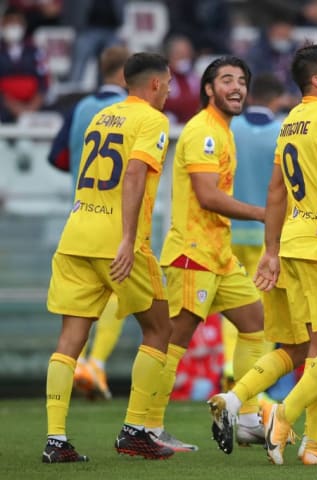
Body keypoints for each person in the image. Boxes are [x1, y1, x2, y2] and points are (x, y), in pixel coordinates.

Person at [208, 72, 317, 465]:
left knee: (312, 345)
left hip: (289, 241)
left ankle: (302, 434)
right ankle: (283, 415)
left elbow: (276, 190)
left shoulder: (291, 123)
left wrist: (271, 248)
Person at [43, 52, 174, 463]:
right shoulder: (153, 120)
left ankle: (56, 439)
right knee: (159, 329)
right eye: (168, 84)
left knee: (70, 340)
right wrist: (129, 237)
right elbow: (134, 173)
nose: (169, 90)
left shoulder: (102, 116)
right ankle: (135, 430)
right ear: (155, 84)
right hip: (117, 241)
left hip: (76, 233)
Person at [143, 56, 266, 453]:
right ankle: (147, 428)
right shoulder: (203, 132)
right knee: (174, 341)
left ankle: (246, 417)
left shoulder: (223, 131)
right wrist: (263, 213)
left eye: (242, 80)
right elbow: (207, 196)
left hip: (219, 254)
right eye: (226, 79)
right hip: (192, 253)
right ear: (209, 89)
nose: (237, 87)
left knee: (256, 324)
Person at [47, 44, 131, 401]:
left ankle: (78, 361)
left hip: (79, 214)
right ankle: (96, 361)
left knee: (78, 303)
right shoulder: (130, 111)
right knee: (118, 292)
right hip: (115, 220)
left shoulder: (80, 107)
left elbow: (57, 155)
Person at [223, 73, 287, 396]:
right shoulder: (282, 131)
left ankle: (228, 366)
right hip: (269, 235)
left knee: (232, 304)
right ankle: (256, 380)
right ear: (277, 99)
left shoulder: (231, 129)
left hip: (232, 228)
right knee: (265, 307)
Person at [0, 6, 48, 122]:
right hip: (4, 109)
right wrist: (15, 107)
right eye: (11, 22)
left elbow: (44, 83)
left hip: (33, 108)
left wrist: (31, 108)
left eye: (18, 22)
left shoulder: (36, 51)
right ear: (3, 24)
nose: (14, 26)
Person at [61, 0, 125, 86]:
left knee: (111, 68)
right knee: (77, 69)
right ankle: (71, 95)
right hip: (87, 29)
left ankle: (108, 95)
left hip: (111, 30)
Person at [163, 34, 201, 124]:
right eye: (180, 55)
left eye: (187, 55)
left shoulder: (195, 77)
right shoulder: (163, 78)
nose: (184, 59)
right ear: (170, 56)